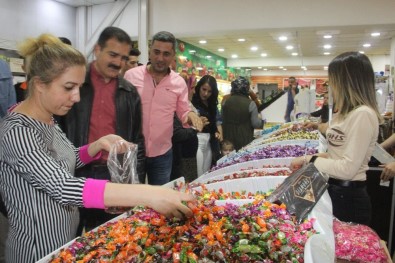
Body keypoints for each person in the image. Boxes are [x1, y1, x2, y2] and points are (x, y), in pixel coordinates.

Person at [0, 33, 195, 263]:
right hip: (36, 250)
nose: (76, 97)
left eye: (79, 87)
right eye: (69, 87)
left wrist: (96, 145)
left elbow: (64, 159)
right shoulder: (17, 132)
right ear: (40, 84)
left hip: (64, 241)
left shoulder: (48, 119)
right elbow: (62, 186)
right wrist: (150, 193)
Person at [61, 26, 146, 233]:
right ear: (97, 50)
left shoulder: (129, 92)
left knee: (106, 235)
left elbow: (137, 139)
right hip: (76, 172)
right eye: (113, 54)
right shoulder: (75, 85)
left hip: (113, 174)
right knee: (69, 235)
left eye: (123, 58)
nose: (118, 62)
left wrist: (134, 182)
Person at [290, 51, 382, 225]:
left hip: (349, 198)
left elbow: (347, 168)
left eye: (333, 79)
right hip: (336, 191)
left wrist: (311, 159)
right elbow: (336, 156)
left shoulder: (363, 115)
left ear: (347, 80)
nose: (330, 85)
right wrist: (304, 159)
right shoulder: (345, 113)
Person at [124, 31, 203, 185]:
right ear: (150, 51)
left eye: (166, 54)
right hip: (133, 151)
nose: (160, 58)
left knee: (159, 199)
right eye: (156, 52)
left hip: (162, 153)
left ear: (173, 55)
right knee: (132, 201)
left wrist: (191, 115)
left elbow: (183, 111)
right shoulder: (131, 76)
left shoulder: (178, 82)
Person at [222, 76, 264, 151]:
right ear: (247, 89)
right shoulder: (251, 104)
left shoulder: (225, 101)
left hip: (228, 140)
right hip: (245, 139)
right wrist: (263, 122)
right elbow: (256, 124)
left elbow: (222, 119)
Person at [192, 75, 222, 176]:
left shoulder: (212, 104)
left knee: (205, 174)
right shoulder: (192, 101)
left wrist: (217, 133)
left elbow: (216, 122)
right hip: (197, 142)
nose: (206, 94)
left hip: (209, 142)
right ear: (199, 87)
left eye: (209, 91)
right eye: (204, 89)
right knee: (198, 174)